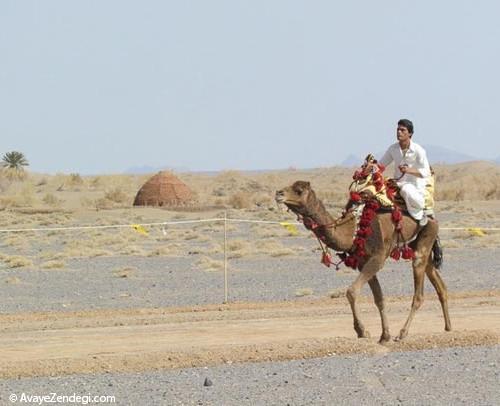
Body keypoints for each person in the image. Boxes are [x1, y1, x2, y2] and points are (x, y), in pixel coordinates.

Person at [379, 119, 431, 226]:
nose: (399, 132)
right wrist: (371, 167)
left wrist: (409, 170)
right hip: (396, 185)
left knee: (406, 189)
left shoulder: (418, 150)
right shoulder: (393, 149)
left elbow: (426, 172)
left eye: (402, 130)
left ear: (410, 133)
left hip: (414, 187)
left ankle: (422, 213)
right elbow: (381, 165)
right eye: (398, 130)